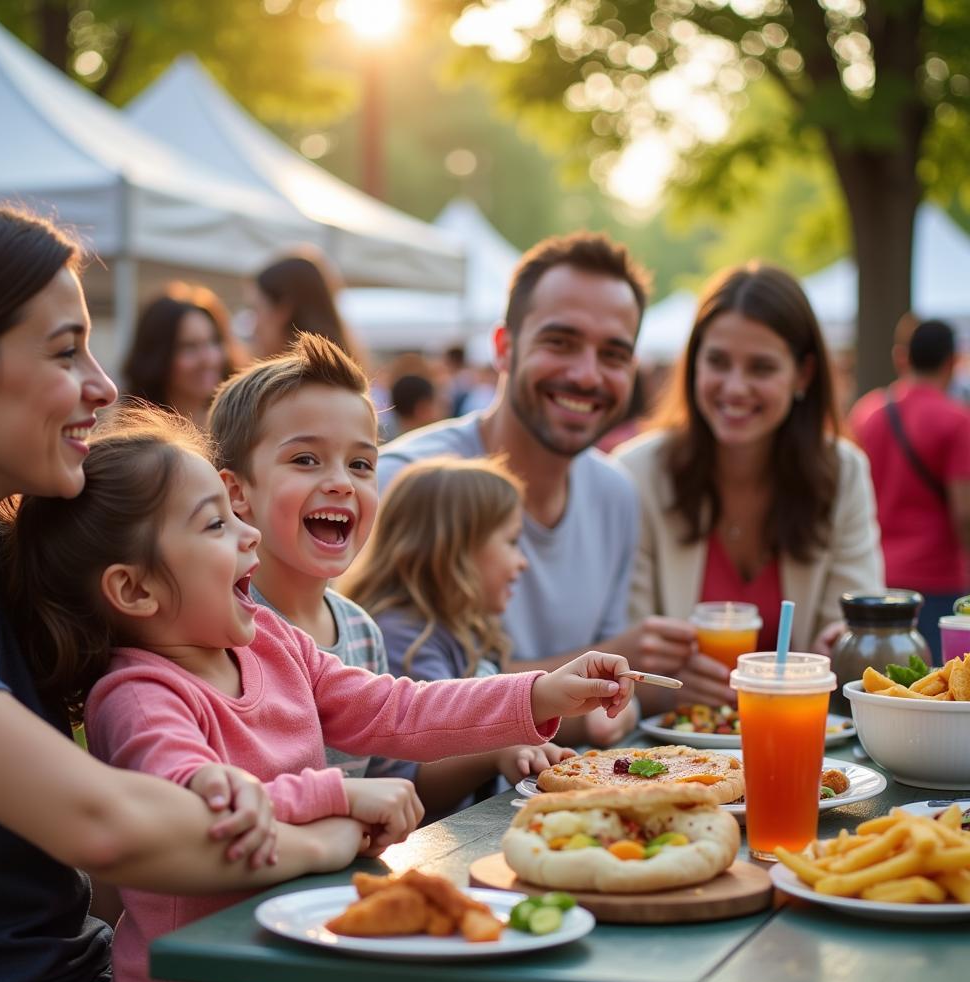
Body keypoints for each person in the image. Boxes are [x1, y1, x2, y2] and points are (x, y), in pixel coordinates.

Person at [8, 404, 637, 982]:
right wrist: (339, 794)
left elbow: (395, 707)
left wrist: (540, 694)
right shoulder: (138, 696)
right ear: (135, 589)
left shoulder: (271, 641)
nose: (247, 532)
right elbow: (207, 812)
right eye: (214, 526)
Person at [0, 198, 368, 982]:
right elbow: (107, 825)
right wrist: (335, 830)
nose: (102, 386)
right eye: (67, 352)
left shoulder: (2, 559)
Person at [209, 338, 574, 819]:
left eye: (361, 464)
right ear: (236, 492)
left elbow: (399, 790)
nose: (342, 482)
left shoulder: (360, 631)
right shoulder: (216, 630)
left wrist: (501, 740)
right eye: (305, 459)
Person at [377, 231, 700, 729]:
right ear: (504, 348)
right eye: (560, 342)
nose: (587, 375)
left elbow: (601, 715)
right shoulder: (406, 483)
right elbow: (403, 700)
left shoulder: (615, 493)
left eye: (613, 354)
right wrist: (615, 659)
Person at [611, 262, 884, 702]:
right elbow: (622, 650)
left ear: (803, 375)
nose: (735, 388)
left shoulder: (843, 474)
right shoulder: (637, 473)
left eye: (760, 368)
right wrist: (669, 688)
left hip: (799, 737)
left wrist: (836, 652)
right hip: (666, 752)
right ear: (693, 363)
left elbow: (856, 631)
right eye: (718, 361)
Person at [342, 453, 582, 812]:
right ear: (457, 549)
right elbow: (415, 781)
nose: (523, 562)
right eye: (512, 541)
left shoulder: (467, 628)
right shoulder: (405, 637)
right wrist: (497, 749)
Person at [849, 317, 970, 660]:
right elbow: (965, 513)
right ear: (952, 361)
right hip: (938, 582)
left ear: (901, 357)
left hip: (875, 577)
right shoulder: (957, 421)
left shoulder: (866, 414)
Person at [122, 283, 242, 426]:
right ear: (158, 356)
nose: (208, 359)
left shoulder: (241, 428)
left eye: (213, 342)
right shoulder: (131, 437)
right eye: (189, 347)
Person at [252, 249, 367, 368]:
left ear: (283, 310)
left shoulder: (298, 381)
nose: (254, 327)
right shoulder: (339, 372)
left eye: (257, 310)